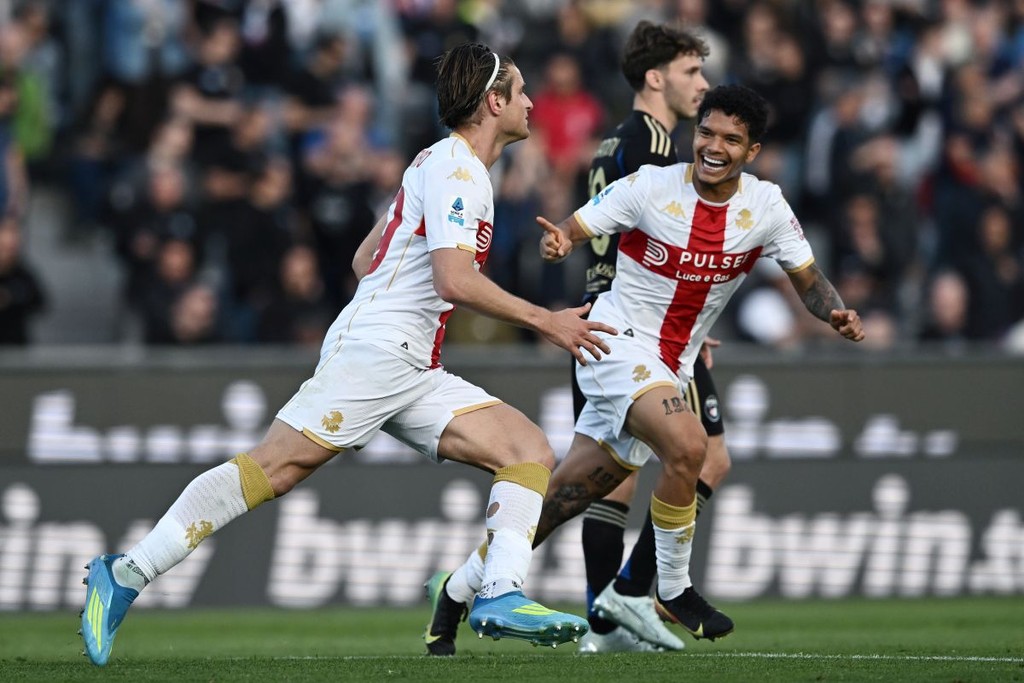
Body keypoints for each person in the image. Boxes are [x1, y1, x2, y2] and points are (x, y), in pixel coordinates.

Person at [79, 42, 616, 667]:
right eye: (520, 91)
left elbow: (367, 260)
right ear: (493, 102)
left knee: (527, 450)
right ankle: (127, 572)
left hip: (411, 362)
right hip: (380, 352)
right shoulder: (460, 172)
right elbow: (452, 280)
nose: (530, 103)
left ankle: (496, 592)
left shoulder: (436, 162)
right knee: (275, 467)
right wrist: (545, 319)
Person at [425, 84, 864, 656]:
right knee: (691, 446)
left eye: (731, 140)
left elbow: (809, 281)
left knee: (562, 499)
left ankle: (456, 591)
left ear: (752, 151)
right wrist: (560, 242)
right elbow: (575, 228)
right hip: (615, 345)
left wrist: (834, 312)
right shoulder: (651, 187)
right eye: (706, 133)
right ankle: (670, 589)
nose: (713, 147)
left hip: (671, 365)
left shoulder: (767, 208)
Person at [571, 21, 731, 655]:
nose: (704, 84)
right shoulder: (658, 147)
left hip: (599, 317)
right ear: (655, 78)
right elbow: (666, 241)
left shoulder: (614, 141)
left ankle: (603, 626)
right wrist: (687, 316)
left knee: (610, 476)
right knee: (708, 458)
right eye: (692, 71)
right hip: (644, 326)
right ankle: (632, 594)